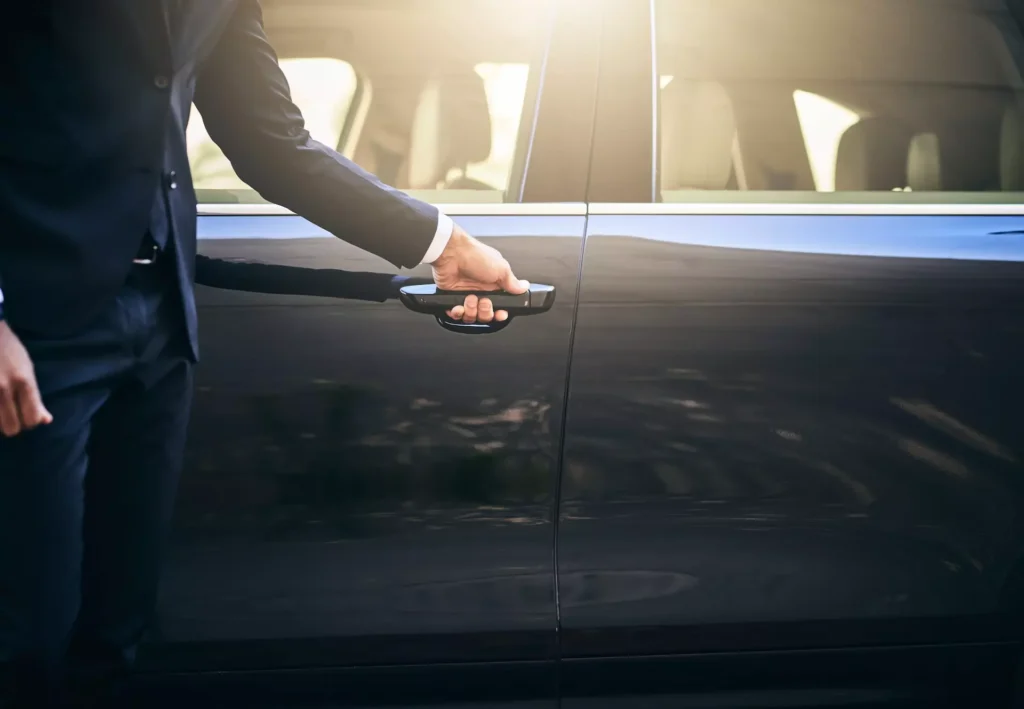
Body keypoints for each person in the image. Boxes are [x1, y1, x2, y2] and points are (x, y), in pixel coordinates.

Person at [0, 2, 526, 706]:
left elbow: (271, 140)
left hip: (161, 323)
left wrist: (448, 245)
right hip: (33, 324)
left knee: (112, 637)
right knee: (25, 639)